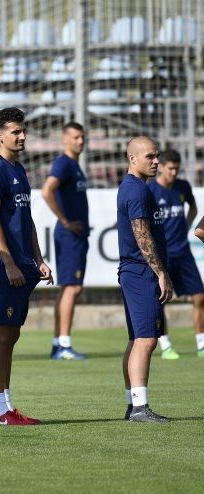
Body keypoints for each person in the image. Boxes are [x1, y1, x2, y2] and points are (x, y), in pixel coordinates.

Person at [0, 108, 53, 426]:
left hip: (23, 263)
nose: (22, 137)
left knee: (12, 334)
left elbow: (27, 218)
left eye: (23, 131)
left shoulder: (18, 169)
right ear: (0, 136)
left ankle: (7, 407)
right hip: (4, 264)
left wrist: (38, 258)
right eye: (15, 132)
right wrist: (7, 261)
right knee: (1, 333)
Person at [117, 136, 172, 423]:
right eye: (150, 156)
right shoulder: (135, 190)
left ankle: (133, 404)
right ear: (133, 158)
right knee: (146, 339)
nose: (156, 161)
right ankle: (139, 407)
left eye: (157, 155)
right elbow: (141, 235)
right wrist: (160, 272)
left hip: (137, 272)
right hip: (141, 272)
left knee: (138, 339)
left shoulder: (139, 188)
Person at [147, 149, 204, 359]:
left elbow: (193, 207)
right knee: (160, 300)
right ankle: (165, 344)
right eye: (170, 168)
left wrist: (187, 226)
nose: (173, 172)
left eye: (176, 169)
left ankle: (201, 343)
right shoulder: (151, 189)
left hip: (183, 251)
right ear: (161, 166)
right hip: (163, 254)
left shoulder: (182, 187)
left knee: (199, 296)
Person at [40, 122, 89, 360]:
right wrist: (66, 221)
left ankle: (59, 342)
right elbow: (47, 190)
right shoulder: (64, 163)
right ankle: (64, 345)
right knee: (72, 287)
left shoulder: (75, 165)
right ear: (65, 139)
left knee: (69, 288)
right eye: (76, 137)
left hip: (76, 235)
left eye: (82, 137)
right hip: (70, 235)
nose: (81, 141)